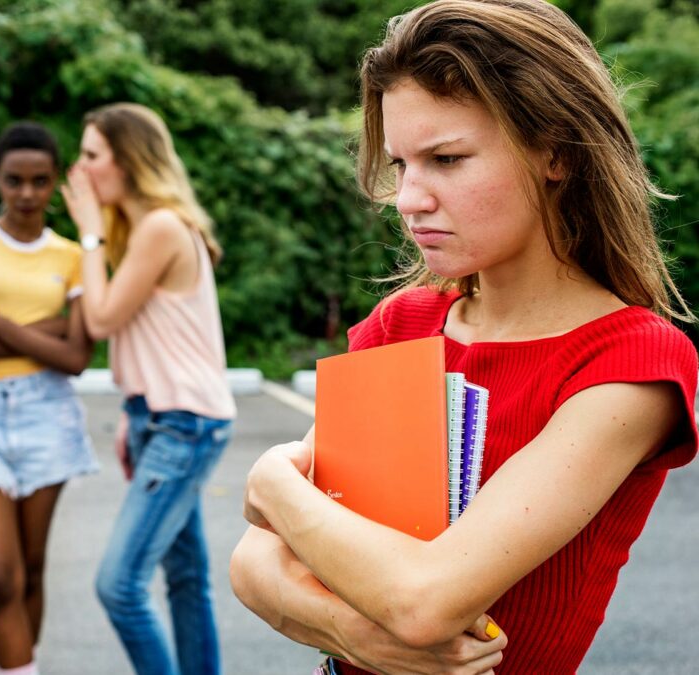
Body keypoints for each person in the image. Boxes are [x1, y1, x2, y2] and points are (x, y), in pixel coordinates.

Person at [228, 1, 699, 673]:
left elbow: (425, 600)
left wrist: (273, 483)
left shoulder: (631, 362)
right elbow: (252, 565)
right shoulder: (401, 324)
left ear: (557, 152)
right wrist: (355, 635)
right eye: (401, 165)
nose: (409, 198)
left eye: (446, 159)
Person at [61, 102, 237, 675]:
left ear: (128, 161)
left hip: (183, 425)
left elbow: (103, 318)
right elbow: (146, 334)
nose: (80, 169)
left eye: (91, 155)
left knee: (119, 586)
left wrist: (88, 236)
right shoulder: (147, 227)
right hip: (159, 416)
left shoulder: (161, 226)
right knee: (186, 579)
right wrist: (130, 412)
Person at [0, 121, 98, 675]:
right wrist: (48, 327)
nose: (26, 194)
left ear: (54, 182)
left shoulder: (73, 255)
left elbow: (77, 358)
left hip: (45, 414)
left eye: (39, 181)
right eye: (14, 181)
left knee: (30, 567)